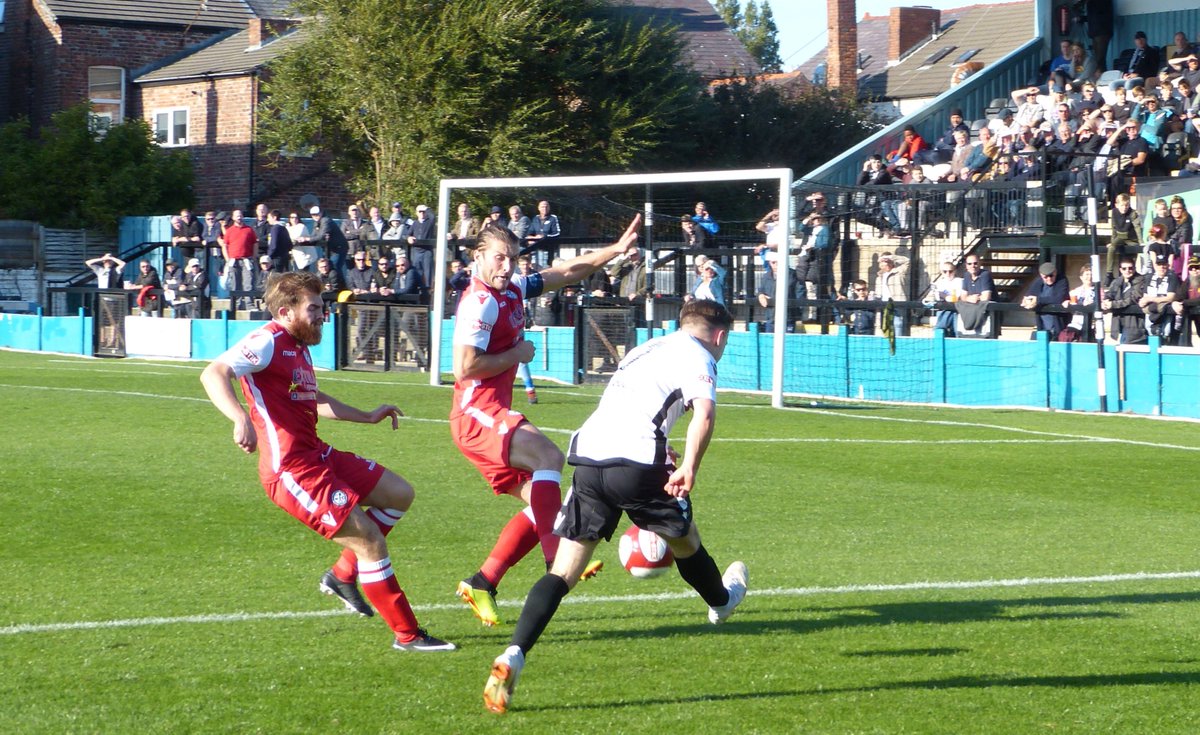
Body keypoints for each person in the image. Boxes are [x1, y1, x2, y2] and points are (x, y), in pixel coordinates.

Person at [481, 299, 747, 714]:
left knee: (563, 571)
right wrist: (689, 467)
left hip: (589, 457)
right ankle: (721, 601)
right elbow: (705, 414)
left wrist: (665, 448)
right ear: (721, 336)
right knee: (684, 539)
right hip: (637, 463)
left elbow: (632, 408)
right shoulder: (699, 355)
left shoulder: (649, 348)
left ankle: (515, 652)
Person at [199, 271, 454, 652]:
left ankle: (342, 576)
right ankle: (408, 635)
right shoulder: (267, 340)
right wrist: (240, 418)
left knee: (399, 494)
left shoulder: (297, 347)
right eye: (315, 308)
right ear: (286, 311)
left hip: (317, 454)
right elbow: (214, 372)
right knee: (369, 540)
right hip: (291, 471)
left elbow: (313, 398)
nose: (323, 314)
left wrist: (367, 416)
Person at [450, 216, 641, 628]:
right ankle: (557, 560)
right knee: (549, 458)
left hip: (488, 413)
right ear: (479, 257)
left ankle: (482, 581)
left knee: (547, 502)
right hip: (475, 413)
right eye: (499, 258)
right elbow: (464, 367)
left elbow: (566, 272)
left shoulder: (513, 288)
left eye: (514, 259)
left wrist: (614, 250)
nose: (507, 267)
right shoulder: (479, 301)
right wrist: (516, 355)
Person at [1102, 258, 1148, 343]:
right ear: (1120, 270)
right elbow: (1110, 294)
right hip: (1117, 326)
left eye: (1130, 268)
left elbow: (1133, 299)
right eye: (1124, 268)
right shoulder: (1117, 281)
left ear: (1134, 268)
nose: (1128, 271)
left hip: (1134, 326)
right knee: (1117, 354)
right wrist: (1105, 302)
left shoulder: (1141, 280)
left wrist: (1113, 304)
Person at [221, 209, 258, 309]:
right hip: (233, 261)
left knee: (248, 282)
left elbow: (255, 244)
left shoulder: (249, 230)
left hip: (246, 260)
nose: (239, 217)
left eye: (240, 215)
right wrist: (227, 259)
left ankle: (249, 304)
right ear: (233, 218)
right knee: (234, 283)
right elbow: (224, 245)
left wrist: (254, 257)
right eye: (237, 215)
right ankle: (236, 305)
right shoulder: (229, 231)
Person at [1022, 262, 1070, 338]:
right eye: (1045, 277)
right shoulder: (1038, 282)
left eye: (1051, 275)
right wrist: (1027, 301)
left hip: (1058, 326)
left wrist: (1038, 300)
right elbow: (1029, 296)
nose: (1049, 279)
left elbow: (1059, 298)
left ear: (1055, 272)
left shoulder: (1062, 280)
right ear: (1041, 275)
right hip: (1042, 325)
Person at [1139, 253, 1182, 338]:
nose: (1161, 267)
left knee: (1166, 332)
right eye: (1159, 264)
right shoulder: (1149, 277)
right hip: (1151, 311)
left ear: (1168, 265)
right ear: (1155, 265)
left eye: (1164, 264)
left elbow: (1170, 298)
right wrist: (1145, 300)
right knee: (1149, 330)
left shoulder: (1172, 277)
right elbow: (1145, 297)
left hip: (1165, 312)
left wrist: (1150, 299)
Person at [1108, 193, 1141, 280]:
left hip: (1131, 239)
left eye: (1127, 205)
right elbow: (1114, 228)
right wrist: (1112, 241)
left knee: (1133, 255)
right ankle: (1109, 273)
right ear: (1117, 205)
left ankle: (1134, 273)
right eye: (1122, 205)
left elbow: (1137, 228)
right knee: (1111, 248)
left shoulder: (1133, 213)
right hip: (1120, 237)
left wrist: (1141, 242)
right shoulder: (1114, 212)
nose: (1124, 207)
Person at [874, 253, 909, 335]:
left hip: (896, 304)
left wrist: (890, 257)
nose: (884, 264)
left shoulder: (899, 272)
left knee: (898, 326)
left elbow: (907, 261)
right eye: (882, 261)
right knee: (885, 328)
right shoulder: (879, 277)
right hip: (883, 305)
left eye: (887, 261)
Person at [309, 205, 350, 276]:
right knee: (330, 268)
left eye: (317, 214)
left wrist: (308, 239)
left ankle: (339, 285)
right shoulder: (317, 223)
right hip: (330, 249)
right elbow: (314, 235)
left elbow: (321, 236)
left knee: (334, 267)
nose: (315, 216)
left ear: (321, 213)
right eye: (313, 215)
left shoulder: (325, 220)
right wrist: (304, 239)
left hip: (339, 248)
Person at [406, 204, 437, 290]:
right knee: (417, 272)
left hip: (427, 251)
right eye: (420, 211)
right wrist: (409, 238)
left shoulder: (430, 221)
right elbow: (408, 234)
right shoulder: (415, 223)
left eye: (424, 212)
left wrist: (427, 208)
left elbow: (433, 216)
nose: (422, 213)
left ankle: (429, 292)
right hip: (417, 251)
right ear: (417, 213)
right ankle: (418, 290)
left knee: (428, 273)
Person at [928, 261, 962, 335]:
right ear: (941, 272)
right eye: (945, 271)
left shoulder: (959, 281)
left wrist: (945, 296)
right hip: (944, 310)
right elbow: (936, 296)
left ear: (955, 271)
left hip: (957, 309)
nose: (948, 274)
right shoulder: (939, 283)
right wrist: (946, 297)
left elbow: (958, 297)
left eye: (950, 271)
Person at [266, 210, 292, 274]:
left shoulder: (275, 228)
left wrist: (269, 255)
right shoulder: (283, 227)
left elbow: (273, 244)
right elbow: (289, 244)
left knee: (276, 276)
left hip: (276, 257)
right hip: (285, 256)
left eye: (269, 217)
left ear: (274, 217)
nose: (267, 219)